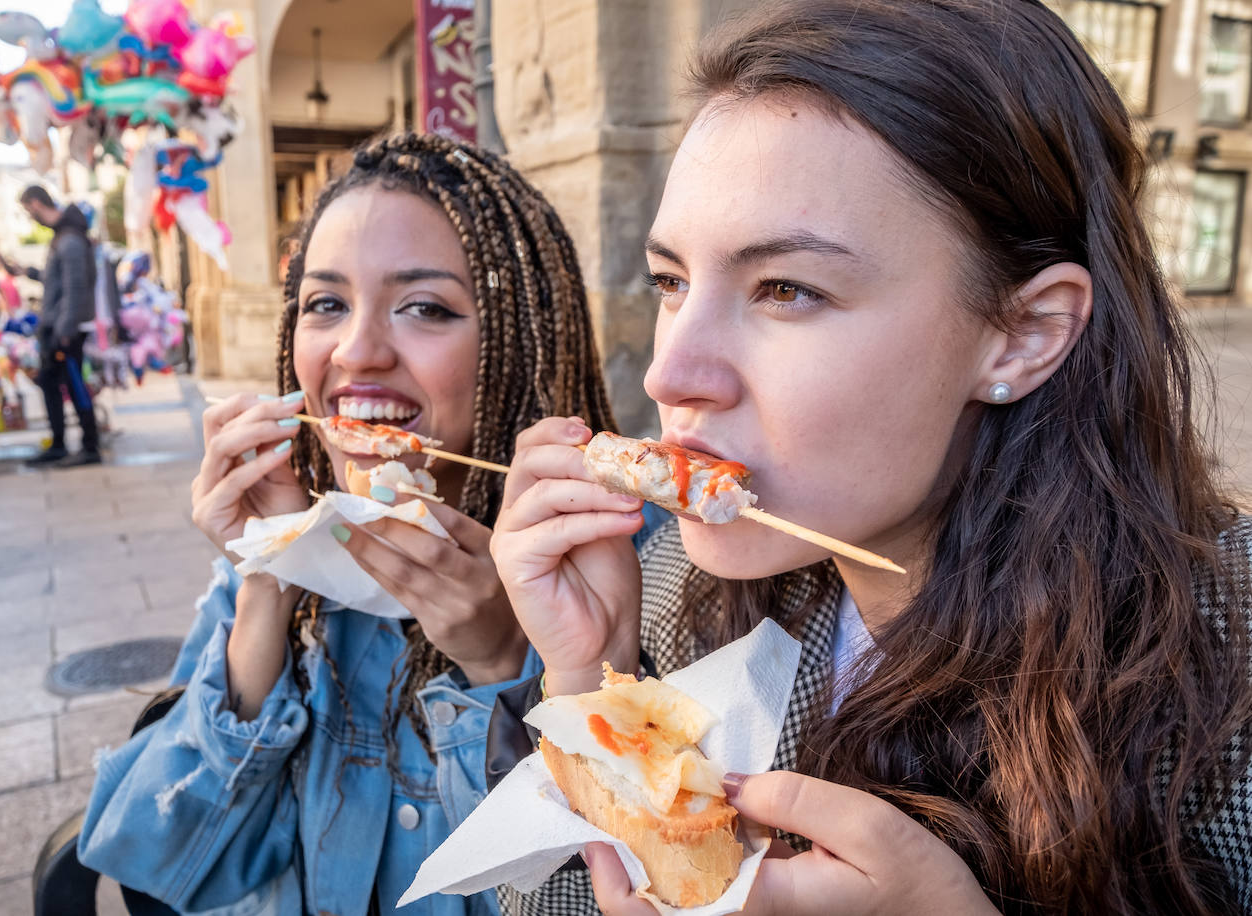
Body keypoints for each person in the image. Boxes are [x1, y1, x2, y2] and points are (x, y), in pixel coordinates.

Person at [488, 2, 1252, 914]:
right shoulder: (664, 591)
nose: (670, 373)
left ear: (1024, 335)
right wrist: (591, 683)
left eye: (786, 289)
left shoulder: (1226, 676)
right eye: (671, 281)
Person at [77, 133, 621, 915]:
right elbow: (160, 860)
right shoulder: (284, 561)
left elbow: (574, 892)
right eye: (325, 304)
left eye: (424, 308)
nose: (356, 351)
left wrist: (499, 664)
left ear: (524, 340)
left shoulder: (610, 585)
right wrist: (267, 579)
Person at [11, 186, 101, 467]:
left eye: (28, 211)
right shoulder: (64, 236)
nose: (30, 217)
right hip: (60, 326)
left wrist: (64, 330)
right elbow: (59, 282)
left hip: (65, 330)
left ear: (36, 204)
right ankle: (61, 442)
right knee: (53, 384)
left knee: (72, 385)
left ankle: (88, 446)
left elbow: (76, 288)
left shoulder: (70, 238)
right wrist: (27, 273)